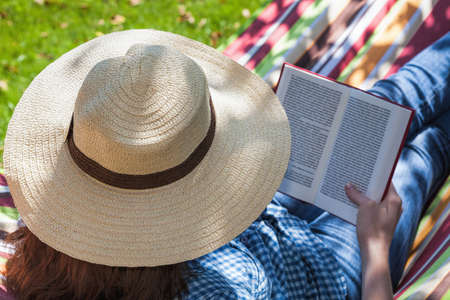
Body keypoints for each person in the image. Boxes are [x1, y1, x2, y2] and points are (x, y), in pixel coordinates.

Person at [1, 29, 449, 300]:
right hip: (335, 269)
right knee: (426, 148)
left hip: (265, 214)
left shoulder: (54, 214)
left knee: (389, 101)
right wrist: (374, 249)